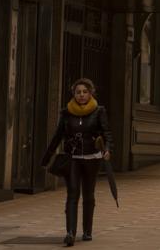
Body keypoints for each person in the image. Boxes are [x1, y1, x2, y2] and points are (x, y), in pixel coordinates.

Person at [42, 78, 112, 246]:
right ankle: (70, 233)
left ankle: (87, 231)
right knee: (72, 194)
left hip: (92, 158)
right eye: (78, 92)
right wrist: (47, 158)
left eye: (85, 92)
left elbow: (107, 132)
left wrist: (107, 149)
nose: (81, 95)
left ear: (90, 93)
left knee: (88, 195)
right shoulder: (66, 113)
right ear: (73, 94)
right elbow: (58, 136)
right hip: (72, 158)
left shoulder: (99, 111)